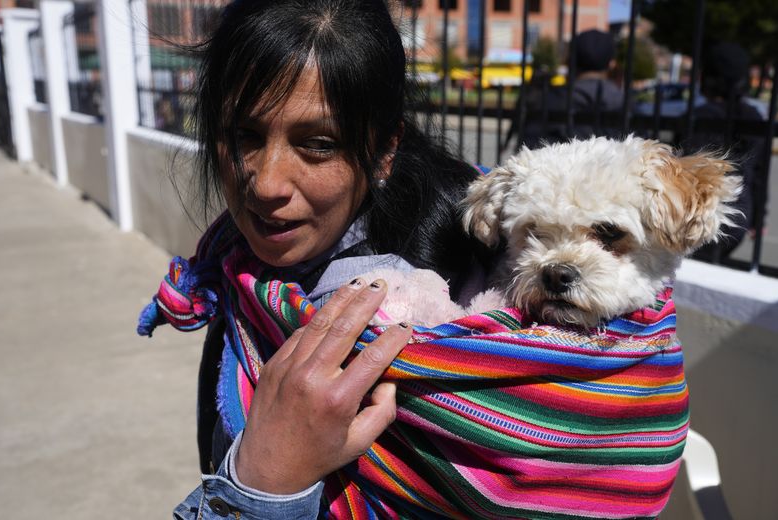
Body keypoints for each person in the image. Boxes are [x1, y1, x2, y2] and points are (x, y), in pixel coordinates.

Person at [138, 2, 689, 518]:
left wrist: (262, 480)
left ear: (383, 150)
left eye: (318, 144)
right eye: (243, 135)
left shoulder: (477, 274)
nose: (266, 183)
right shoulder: (238, 274)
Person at [682, 42, 767, 260]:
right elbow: (760, 174)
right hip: (740, 213)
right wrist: (758, 218)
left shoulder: (699, 117)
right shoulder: (753, 117)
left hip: (702, 214)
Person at [505, 29, 625, 149]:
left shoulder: (549, 99)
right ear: (611, 63)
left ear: (570, 60)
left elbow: (529, 148)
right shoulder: (624, 101)